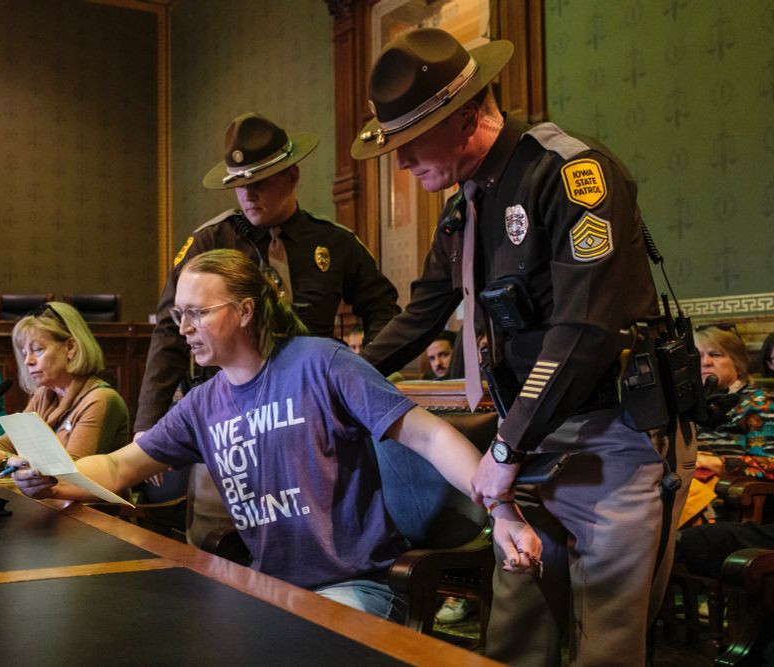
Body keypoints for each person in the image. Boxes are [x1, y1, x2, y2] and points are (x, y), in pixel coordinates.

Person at [351, 28, 694, 665]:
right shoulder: (464, 209)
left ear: (462, 119)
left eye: (408, 144)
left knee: (606, 644)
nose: (398, 164)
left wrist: (507, 447)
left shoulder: (570, 173)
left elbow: (586, 329)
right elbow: (420, 317)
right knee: (515, 638)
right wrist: (329, 375)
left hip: (611, 440)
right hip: (529, 450)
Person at [9, 249, 541, 620]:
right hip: (269, 591)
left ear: (244, 311)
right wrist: (55, 477)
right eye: (179, 315)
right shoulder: (203, 403)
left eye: (197, 312)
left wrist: (502, 512)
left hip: (355, 588)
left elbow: (428, 437)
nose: (184, 327)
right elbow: (121, 466)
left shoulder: (322, 363)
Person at [135, 112, 401, 544]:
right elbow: (170, 332)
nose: (247, 194)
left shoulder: (331, 242)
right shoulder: (210, 241)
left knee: (317, 542)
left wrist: (357, 376)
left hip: (311, 425)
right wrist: (148, 422)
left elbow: (385, 308)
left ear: (291, 176)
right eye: (239, 183)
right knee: (215, 549)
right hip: (228, 424)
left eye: (260, 182)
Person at [0, 302, 129, 474]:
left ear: (70, 347)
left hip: (89, 508)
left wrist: (2, 461)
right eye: (25, 353)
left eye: (37, 349)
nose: (27, 361)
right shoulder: (44, 395)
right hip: (45, 502)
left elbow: (72, 475)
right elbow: (9, 444)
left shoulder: (100, 399)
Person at [694, 326, 774, 479]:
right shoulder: (688, 405)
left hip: (727, 493)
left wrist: (715, 462)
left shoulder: (761, 402)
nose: (705, 362)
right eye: (698, 356)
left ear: (737, 364)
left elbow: (769, 464)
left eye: (715, 354)